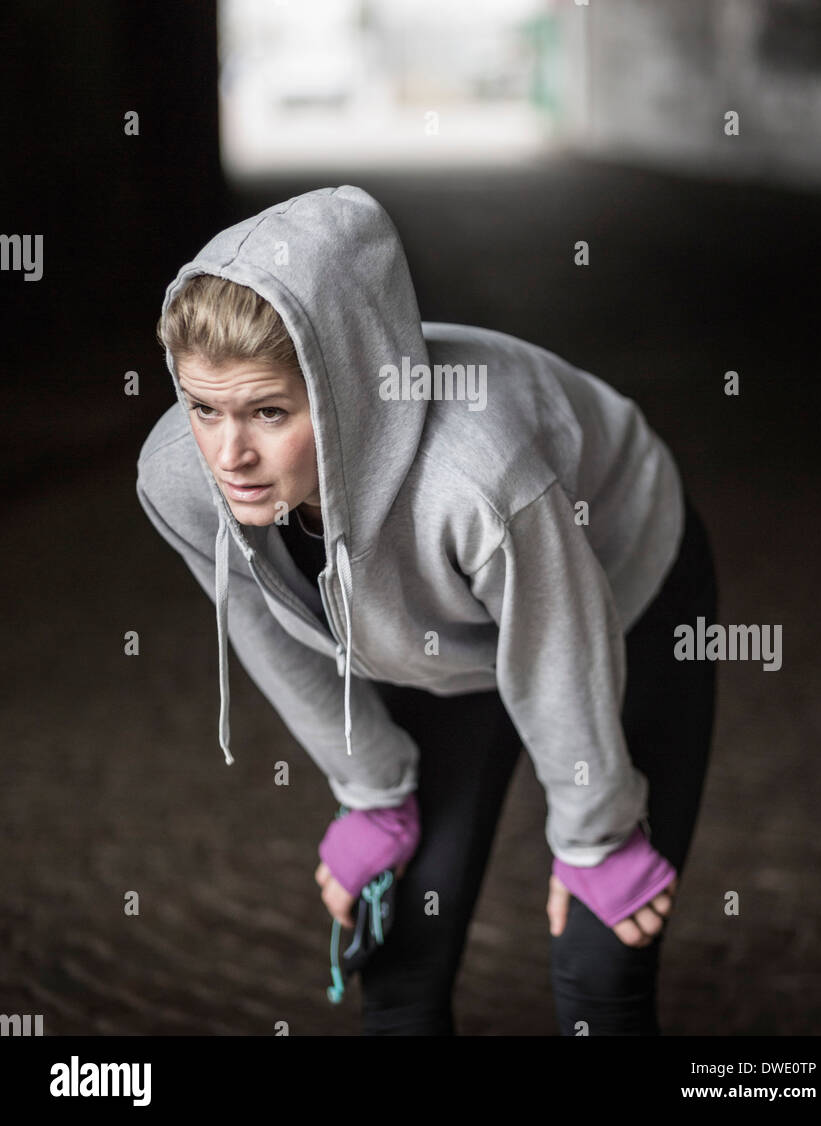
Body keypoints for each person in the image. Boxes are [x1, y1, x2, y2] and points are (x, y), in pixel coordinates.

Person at [136, 183, 717, 1036]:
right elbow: (261, 628)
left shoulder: (477, 481)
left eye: (268, 412)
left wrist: (596, 833)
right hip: (445, 632)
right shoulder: (179, 480)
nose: (232, 454)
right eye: (204, 409)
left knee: (601, 952)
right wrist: (373, 791)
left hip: (621, 588)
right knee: (400, 943)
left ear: (339, 399)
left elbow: (558, 648)